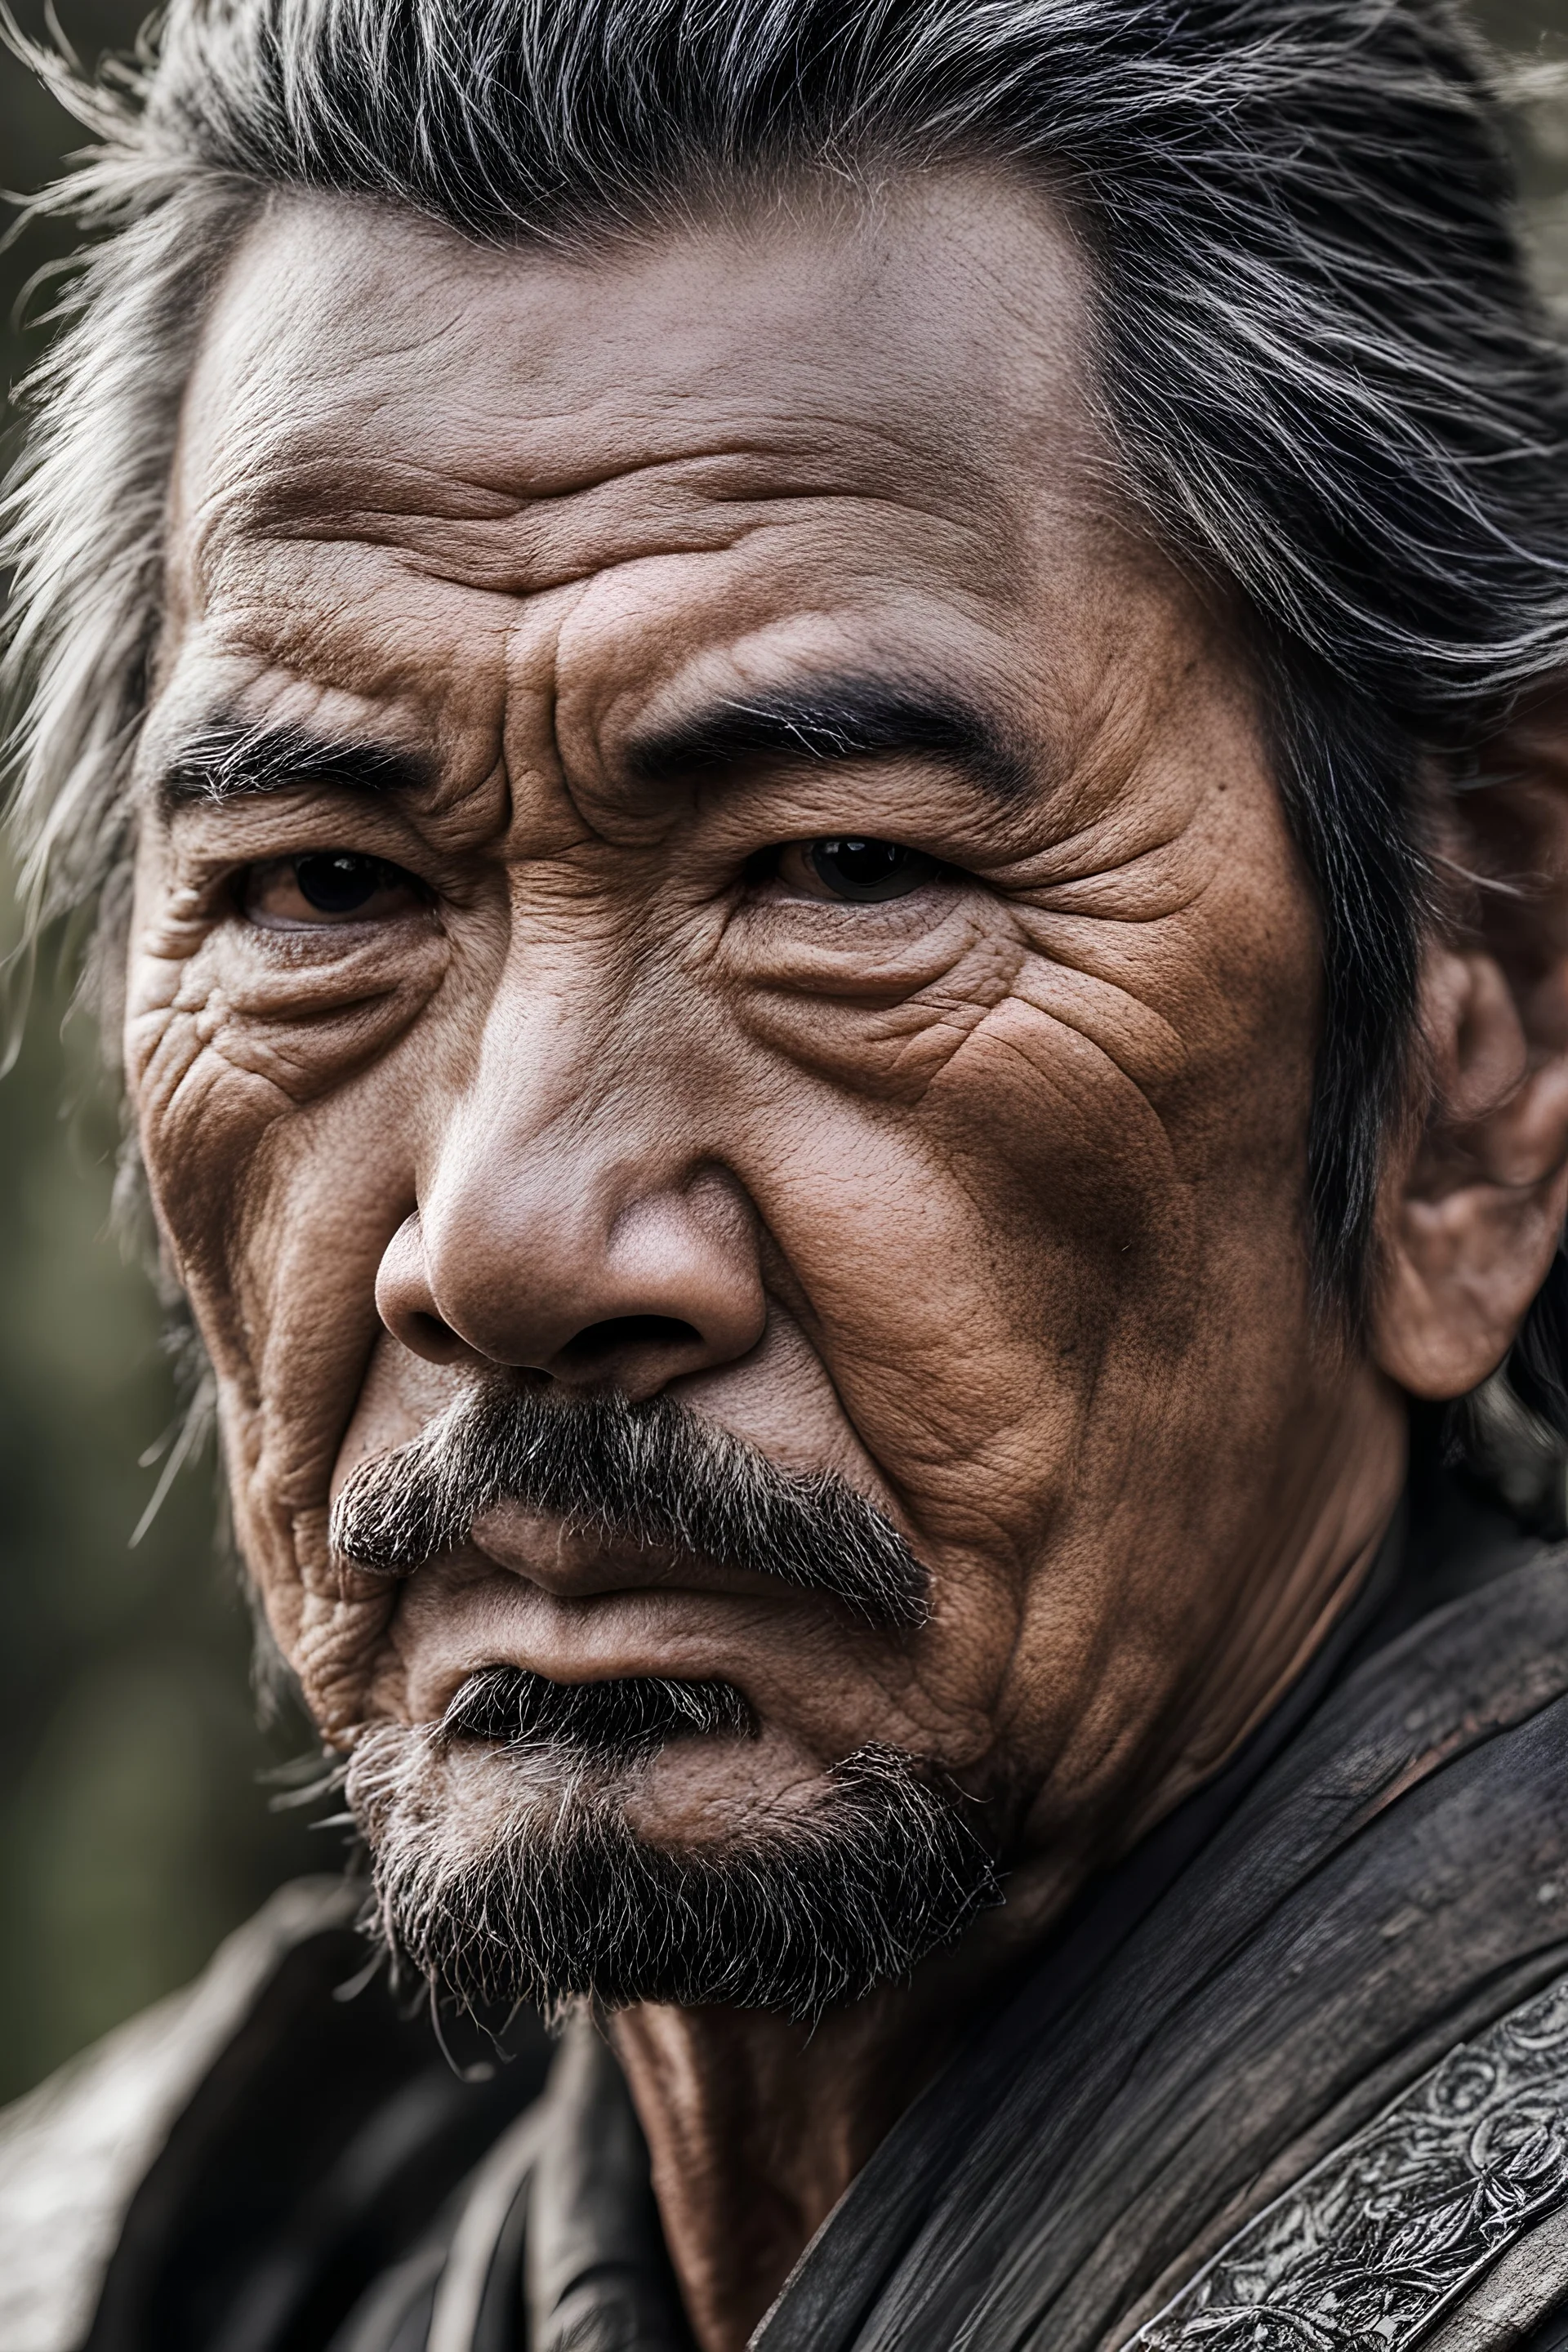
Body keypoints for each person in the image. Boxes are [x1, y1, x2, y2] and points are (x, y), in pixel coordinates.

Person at [6, 0, 1568, 2343]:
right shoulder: (141, 2262)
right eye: (326, 891)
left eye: (841, 872)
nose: (506, 1239)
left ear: (1485, 1018)